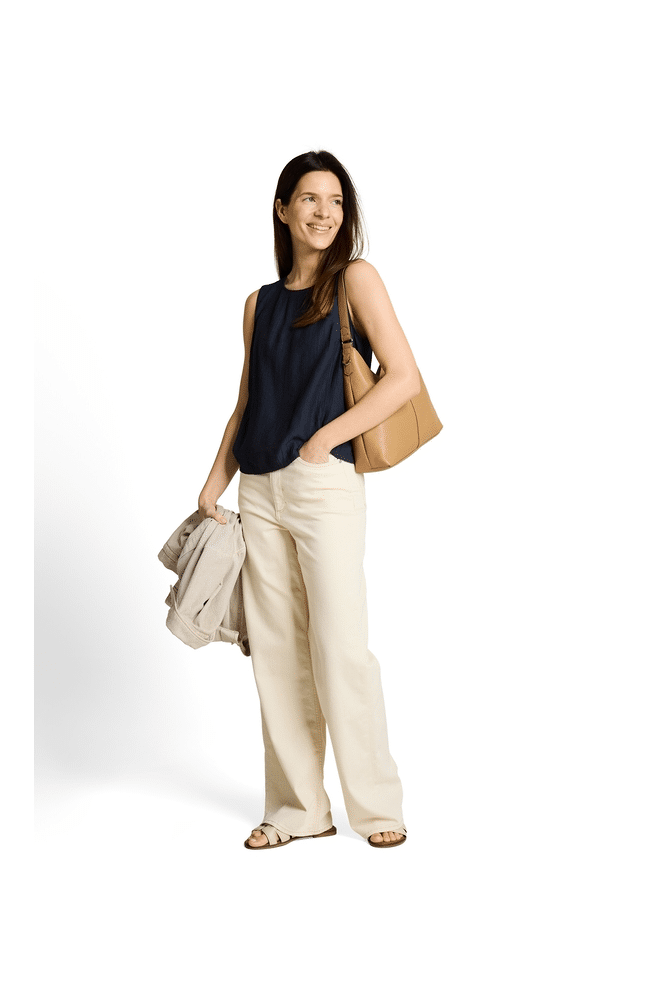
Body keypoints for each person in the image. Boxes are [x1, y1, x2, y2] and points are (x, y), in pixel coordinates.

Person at [197, 150, 422, 850]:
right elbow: (248, 398)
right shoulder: (259, 304)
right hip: (260, 489)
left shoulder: (356, 279)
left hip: (324, 484)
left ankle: (377, 808)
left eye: (336, 201)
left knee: (341, 647)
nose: (325, 212)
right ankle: (298, 810)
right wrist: (215, 481)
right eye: (310, 199)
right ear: (283, 209)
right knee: (276, 654)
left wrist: (326, 439)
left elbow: (404, 378)